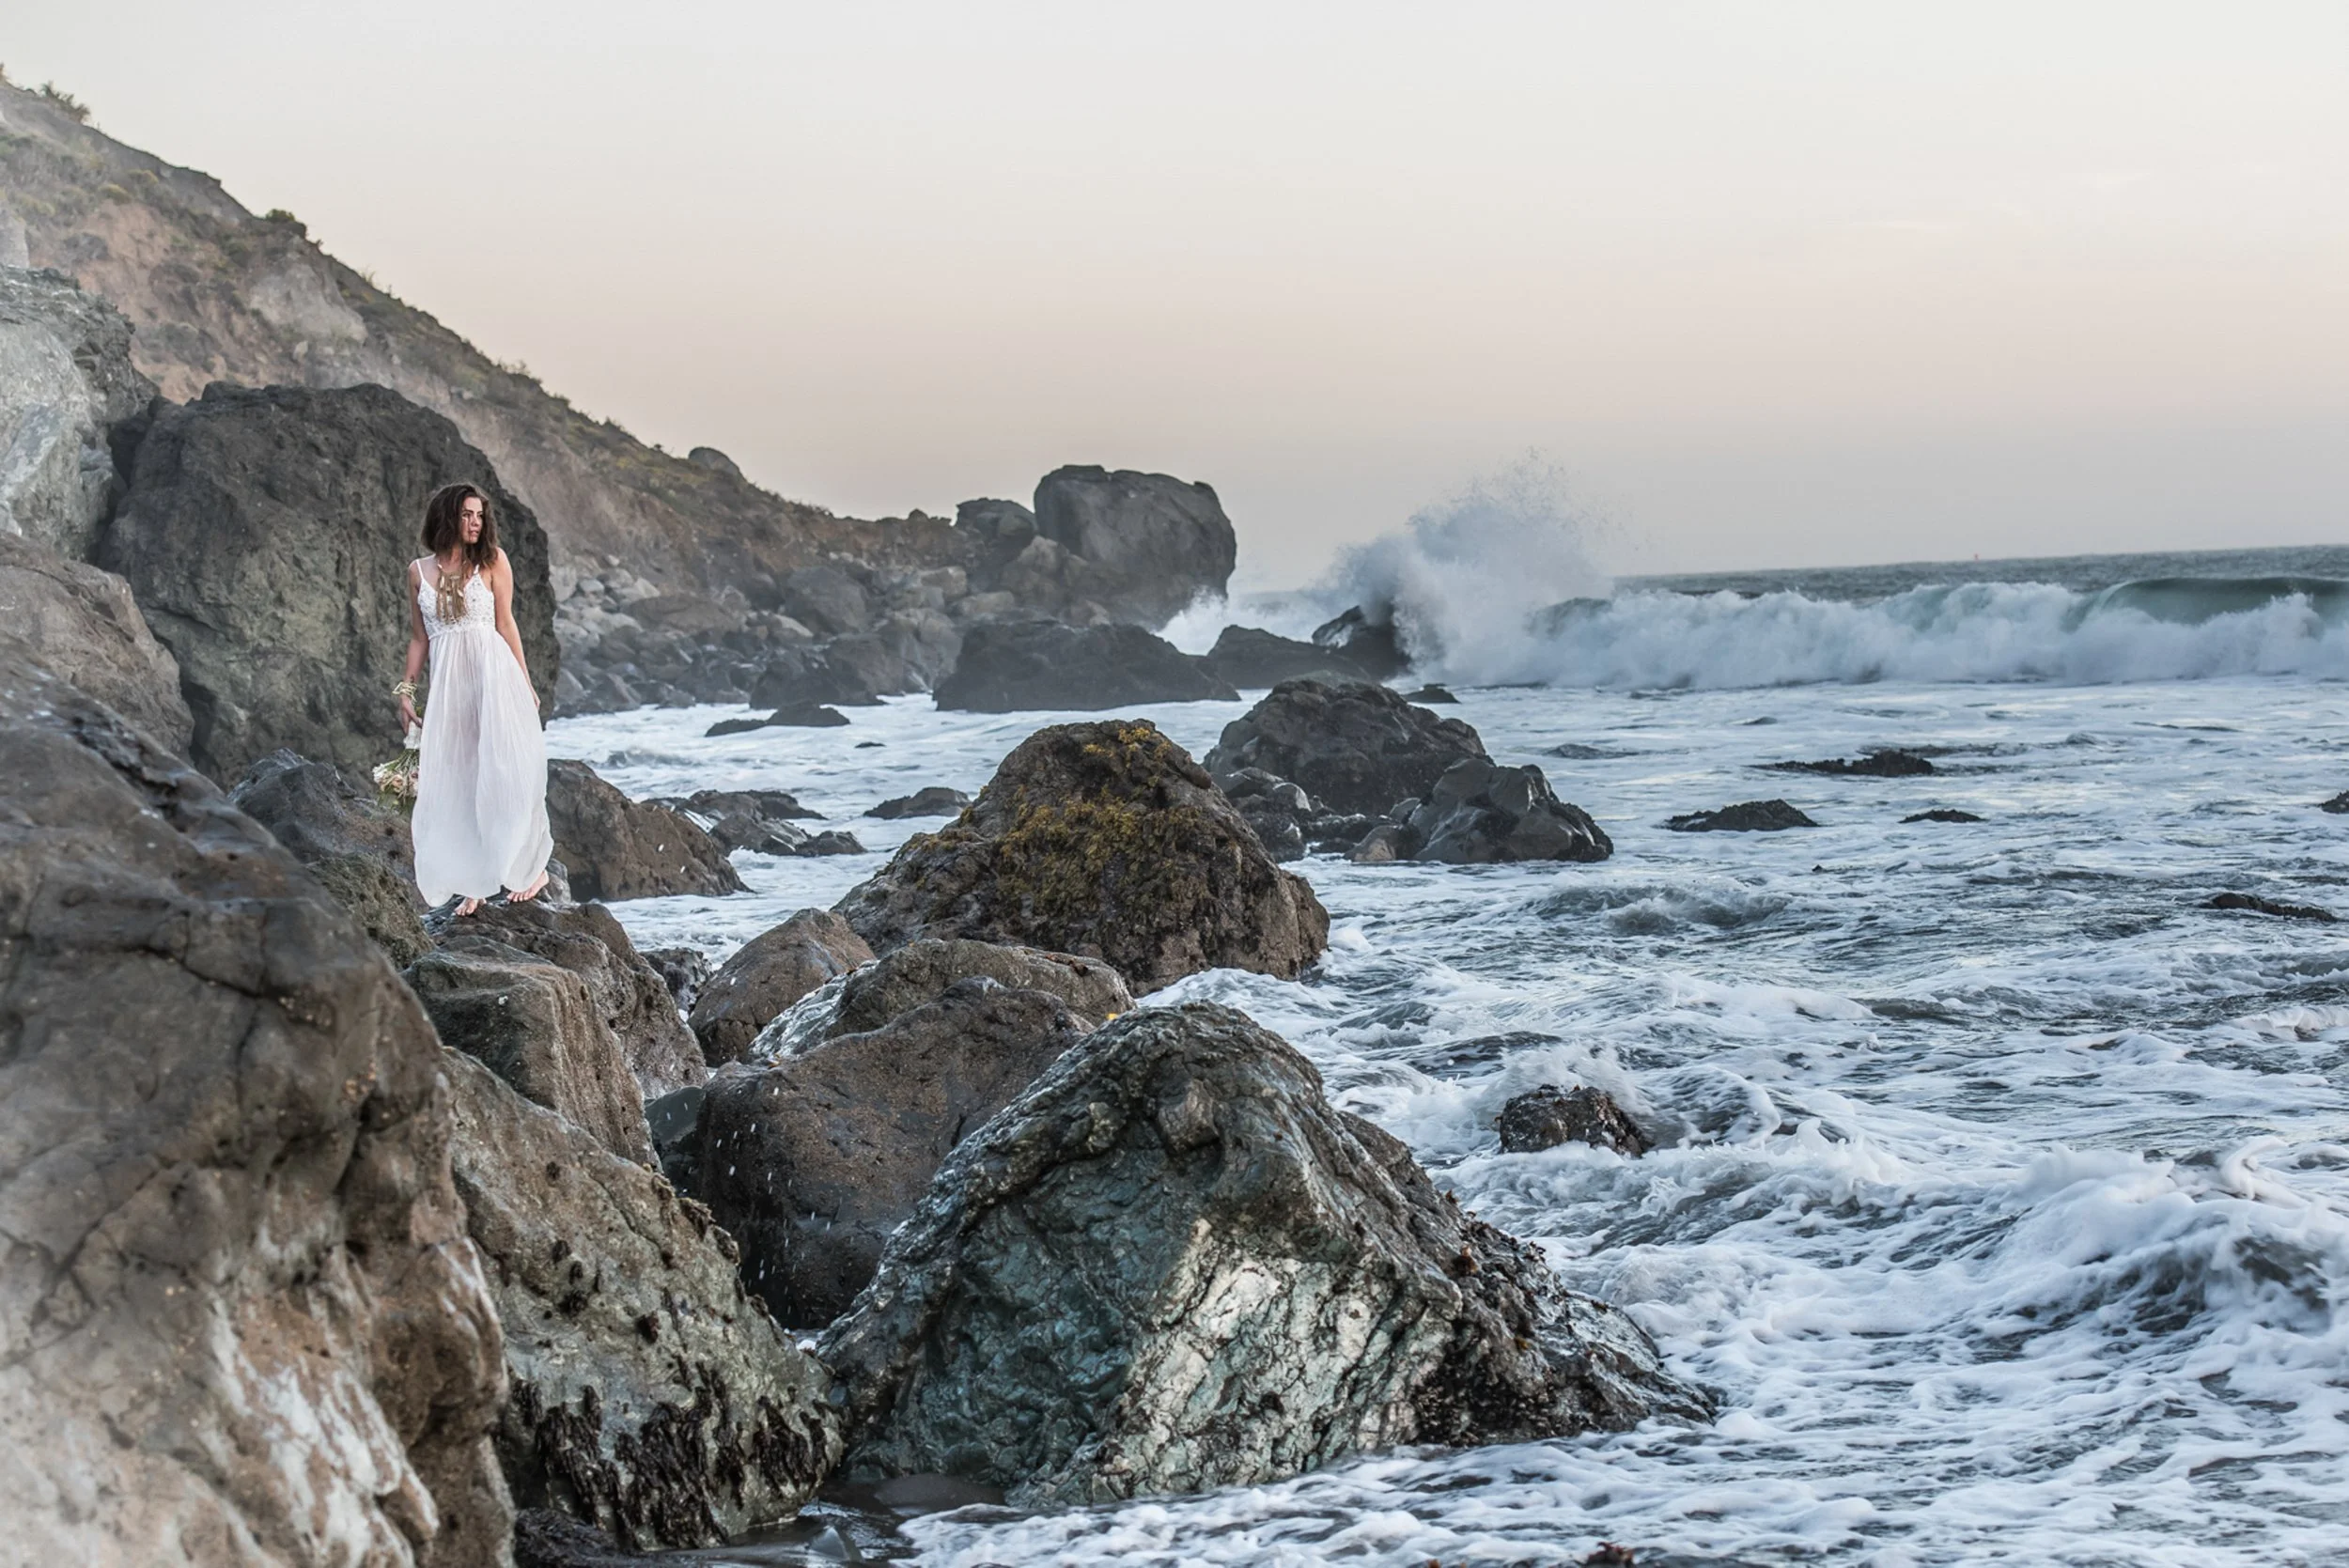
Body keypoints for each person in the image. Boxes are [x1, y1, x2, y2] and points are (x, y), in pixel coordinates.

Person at [398, 482, 552, 915]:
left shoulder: (492, 562)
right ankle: (475, 880)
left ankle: (533, 866)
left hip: (494, 678)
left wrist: (525, 682)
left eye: (480, 516)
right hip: (450, 688)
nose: (475, 523)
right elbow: (418, 639)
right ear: (447, 517)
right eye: (467, 515)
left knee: (508, 769)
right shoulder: (418, 572)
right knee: (460, 776)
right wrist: (406, 693)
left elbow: (507, 624)